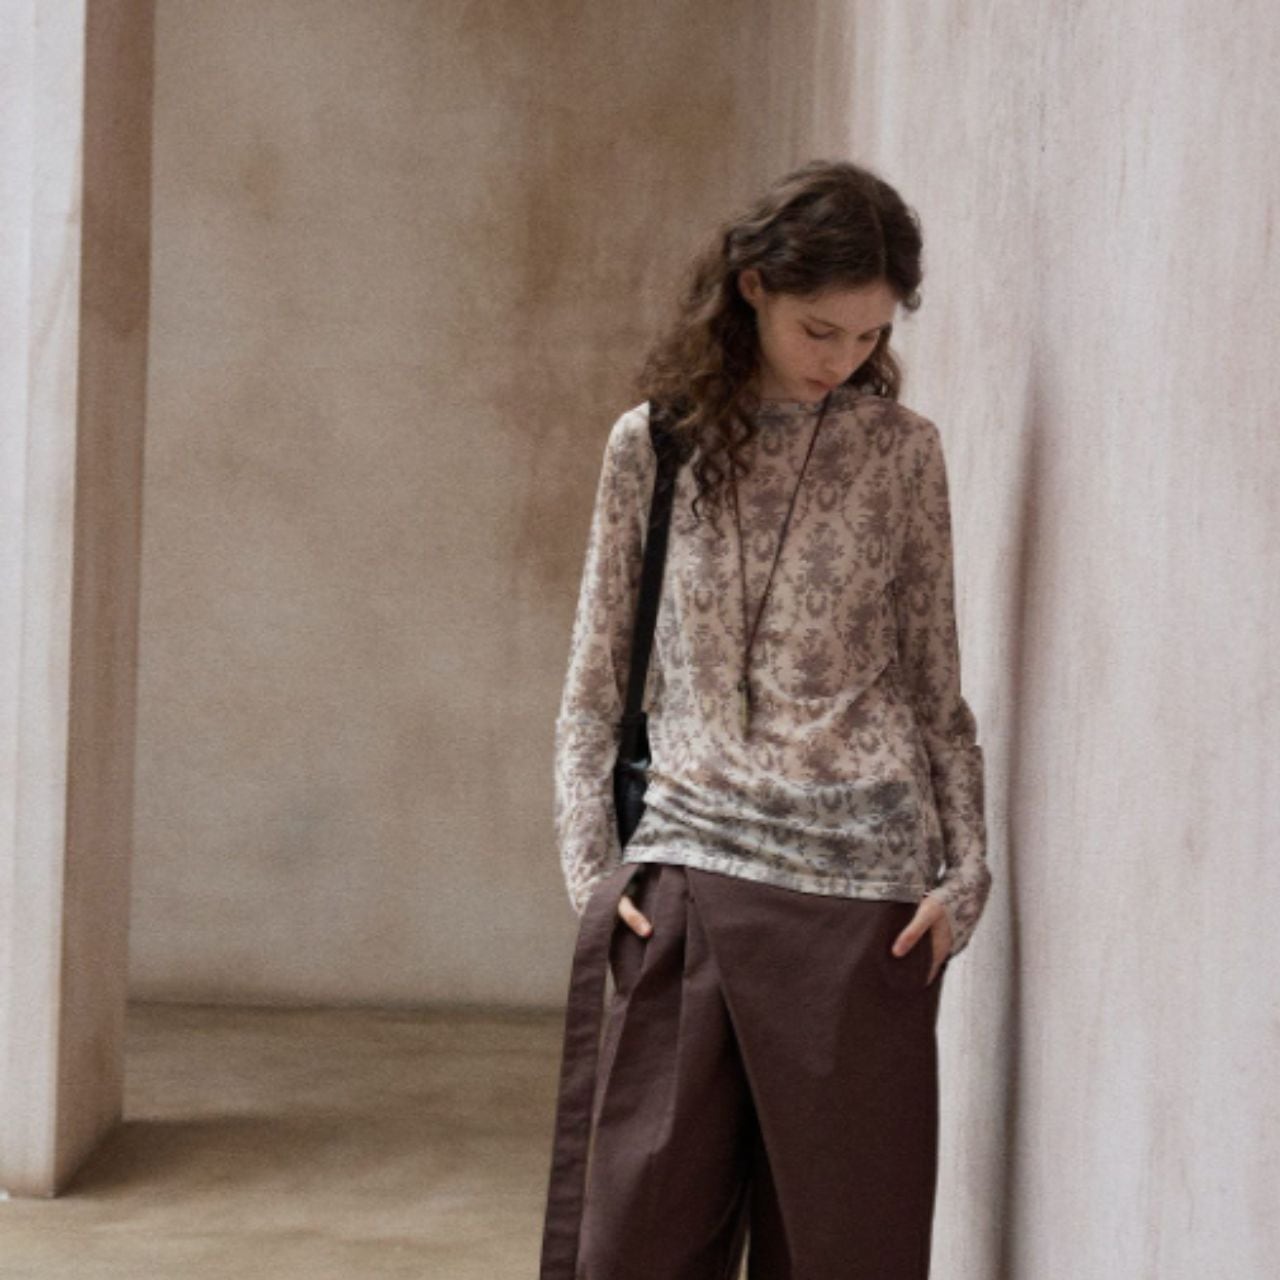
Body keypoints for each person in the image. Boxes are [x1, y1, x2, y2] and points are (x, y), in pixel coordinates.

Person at [538, 158, 994, 1280]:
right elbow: (596, 684)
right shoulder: (654, 446)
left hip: (868, 908)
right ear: (751, 287)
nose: (840, 360)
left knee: (847, 1256)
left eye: (867, 336)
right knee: (636, 1247)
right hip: (691, 878)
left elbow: (934, 690)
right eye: (817, 330)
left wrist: (966, 878)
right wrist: (595, 875)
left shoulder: (901, 452)